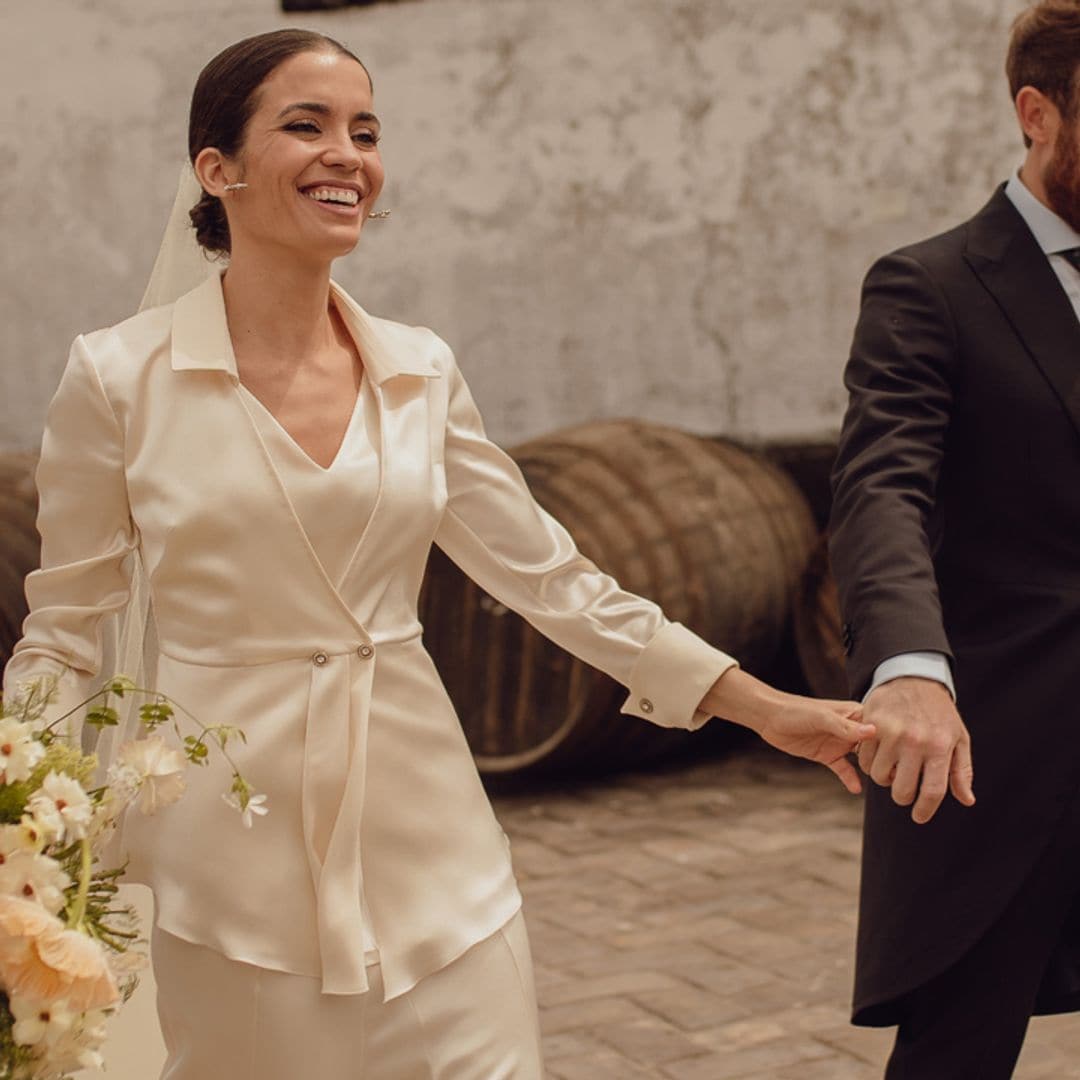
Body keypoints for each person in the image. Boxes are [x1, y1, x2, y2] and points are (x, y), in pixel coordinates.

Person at [4, 29, 870, 1080]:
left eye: (365, 131)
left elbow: (554, 581)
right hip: (228, 857)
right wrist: (22, 822)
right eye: (306, 125)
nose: (349, 154)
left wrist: (765, 706)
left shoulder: (419, 368)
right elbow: (67, 629)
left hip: (429, 832)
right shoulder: (117, 379)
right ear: (215, 170)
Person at [828, 2, 1080, 1076]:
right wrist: (911, 670)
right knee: (958, 1053)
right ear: (1039, 113)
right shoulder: (928, 287)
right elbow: (882, 489)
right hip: (1009, 753)